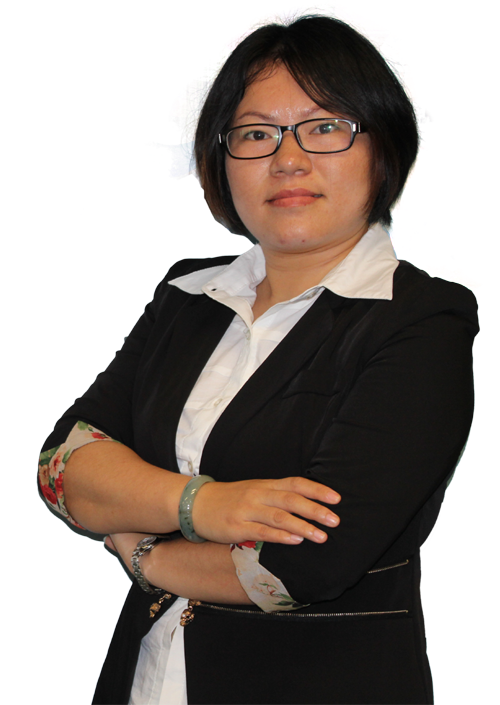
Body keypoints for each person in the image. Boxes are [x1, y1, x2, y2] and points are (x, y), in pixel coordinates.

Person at [38, 13, 479, 705]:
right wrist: (204, 505)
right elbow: (64, 463)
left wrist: (144, 549)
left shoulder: (420, 319)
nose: (288, 159)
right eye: (254, 134)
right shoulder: (187, 297)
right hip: (145, 678)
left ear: (385, 148)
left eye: (325, 127)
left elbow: (304, 567)